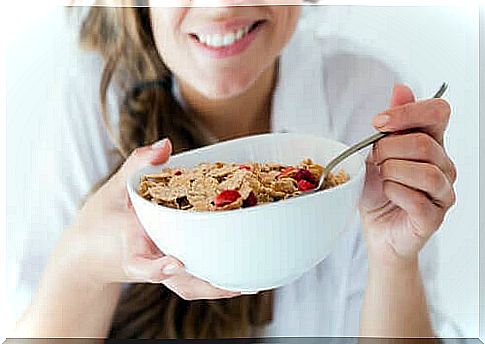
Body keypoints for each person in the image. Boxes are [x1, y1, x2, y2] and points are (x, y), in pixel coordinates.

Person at [9, 1, 458, 339]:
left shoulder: (361, 102)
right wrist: (84, 264)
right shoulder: (96, 101)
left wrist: (393, 258)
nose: (222, 6)